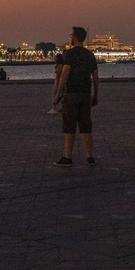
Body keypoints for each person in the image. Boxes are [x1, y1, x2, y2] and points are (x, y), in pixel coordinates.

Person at [53, 27, 99, 166]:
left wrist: (58, 94)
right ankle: (90, 157)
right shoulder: (90, 55)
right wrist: (95, 94)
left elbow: (65, 74)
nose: (70, 37)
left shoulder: (70, 54)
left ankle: (68, 157)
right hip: (86, 94)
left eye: (71, 35)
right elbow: (95, 77)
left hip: (72, 94)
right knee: (86, 126)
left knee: (69, 126)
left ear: (76, 37)